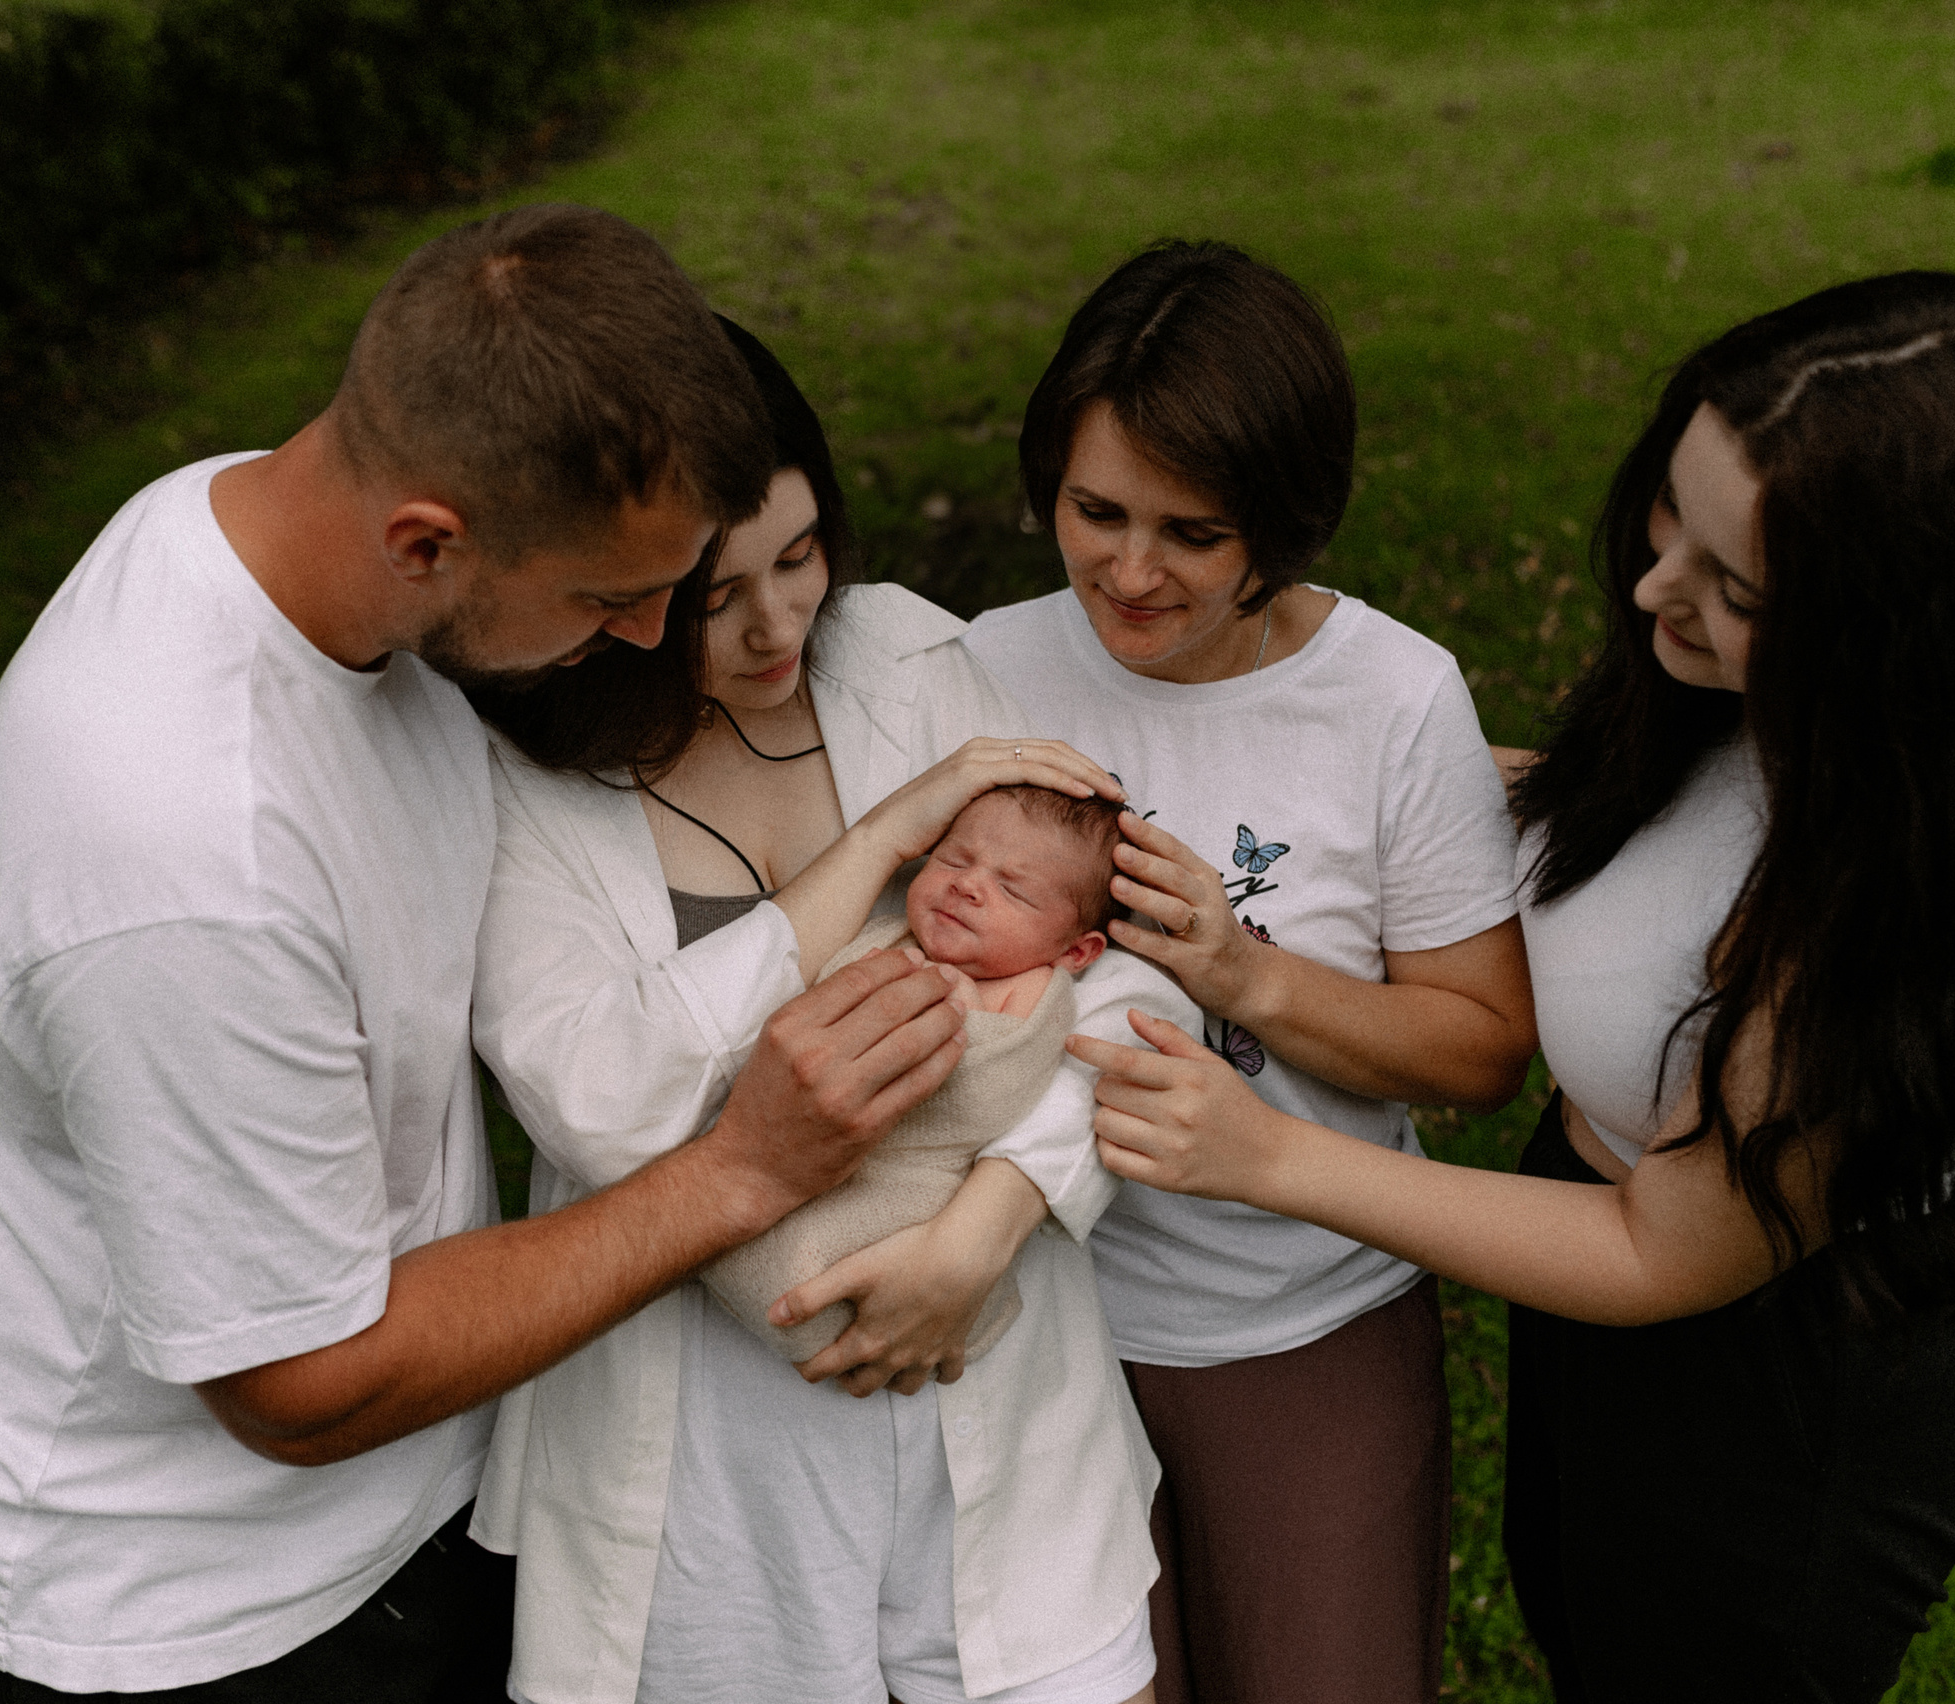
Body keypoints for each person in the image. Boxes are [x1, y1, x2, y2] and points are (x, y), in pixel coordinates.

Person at [0, 206, 978, 1702]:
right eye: (614, 598)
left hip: (415, 1518)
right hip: (189, 1618)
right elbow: (300, 1384)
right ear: (427, 541)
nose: (659, 634)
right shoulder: (184, 857)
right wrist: (745, 1172)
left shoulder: (250, 519)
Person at [1075, 271, 1955, 1703]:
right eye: (1668, 516)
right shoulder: (1725, 713)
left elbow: (1667, 1252)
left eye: (1737, 586)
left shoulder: (1884, 908)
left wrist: (1269, 1154)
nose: (1655, 591)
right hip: (1592, 1314)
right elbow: (1540, 820)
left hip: (1765, 1401)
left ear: (1906, 634)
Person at [463, 319, 1193, 1704]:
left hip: (997, 1392)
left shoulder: (903, 655)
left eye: (800, 556)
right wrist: (876, 845)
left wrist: (984, 1233)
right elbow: (601, 1103)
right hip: (703, 1468)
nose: (779, 624)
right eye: (713, 592)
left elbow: (1128, 965)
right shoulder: (522, 780)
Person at [962, 240, 1539, 1704]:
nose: (1129, 570)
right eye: (1094, 511)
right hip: (1032, 1335)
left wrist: (1246, 974)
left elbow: (1478, 1053)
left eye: (1193, 533)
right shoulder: (977, 670)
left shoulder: (1391, 698)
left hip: (1301, 1325)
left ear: (1281, 523)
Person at [705, 783, 1129, 1365]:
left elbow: (993, 1088)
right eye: (955, 858)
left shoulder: (1033, 990)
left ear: (1076, 953)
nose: (967, 884)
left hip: (918, 1182)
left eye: (1013, 889)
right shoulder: (886, 937)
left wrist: (951, 1011)